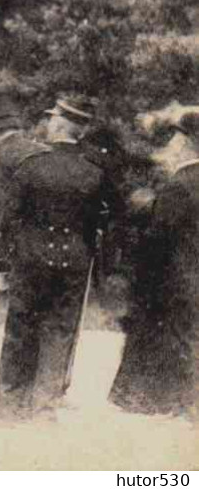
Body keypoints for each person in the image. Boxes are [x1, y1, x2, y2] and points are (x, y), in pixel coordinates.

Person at [0, 95, 117, 424]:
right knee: (59, 332)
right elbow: (102, 222)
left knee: (20, 330)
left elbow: (8, 219)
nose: (47, 124)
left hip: (31, 261)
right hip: (73, 263)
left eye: (51, 119)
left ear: (59, 124)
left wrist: (3, 264)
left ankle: (9, 408)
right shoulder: (94, 172)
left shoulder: (32, 165)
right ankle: (44, 408)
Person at [109, 103, 199, 420]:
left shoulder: (179, 185)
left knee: (179, 341)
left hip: (178, 278)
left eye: (177, 137)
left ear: (186, 141)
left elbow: (158, 240)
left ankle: (184, 405)